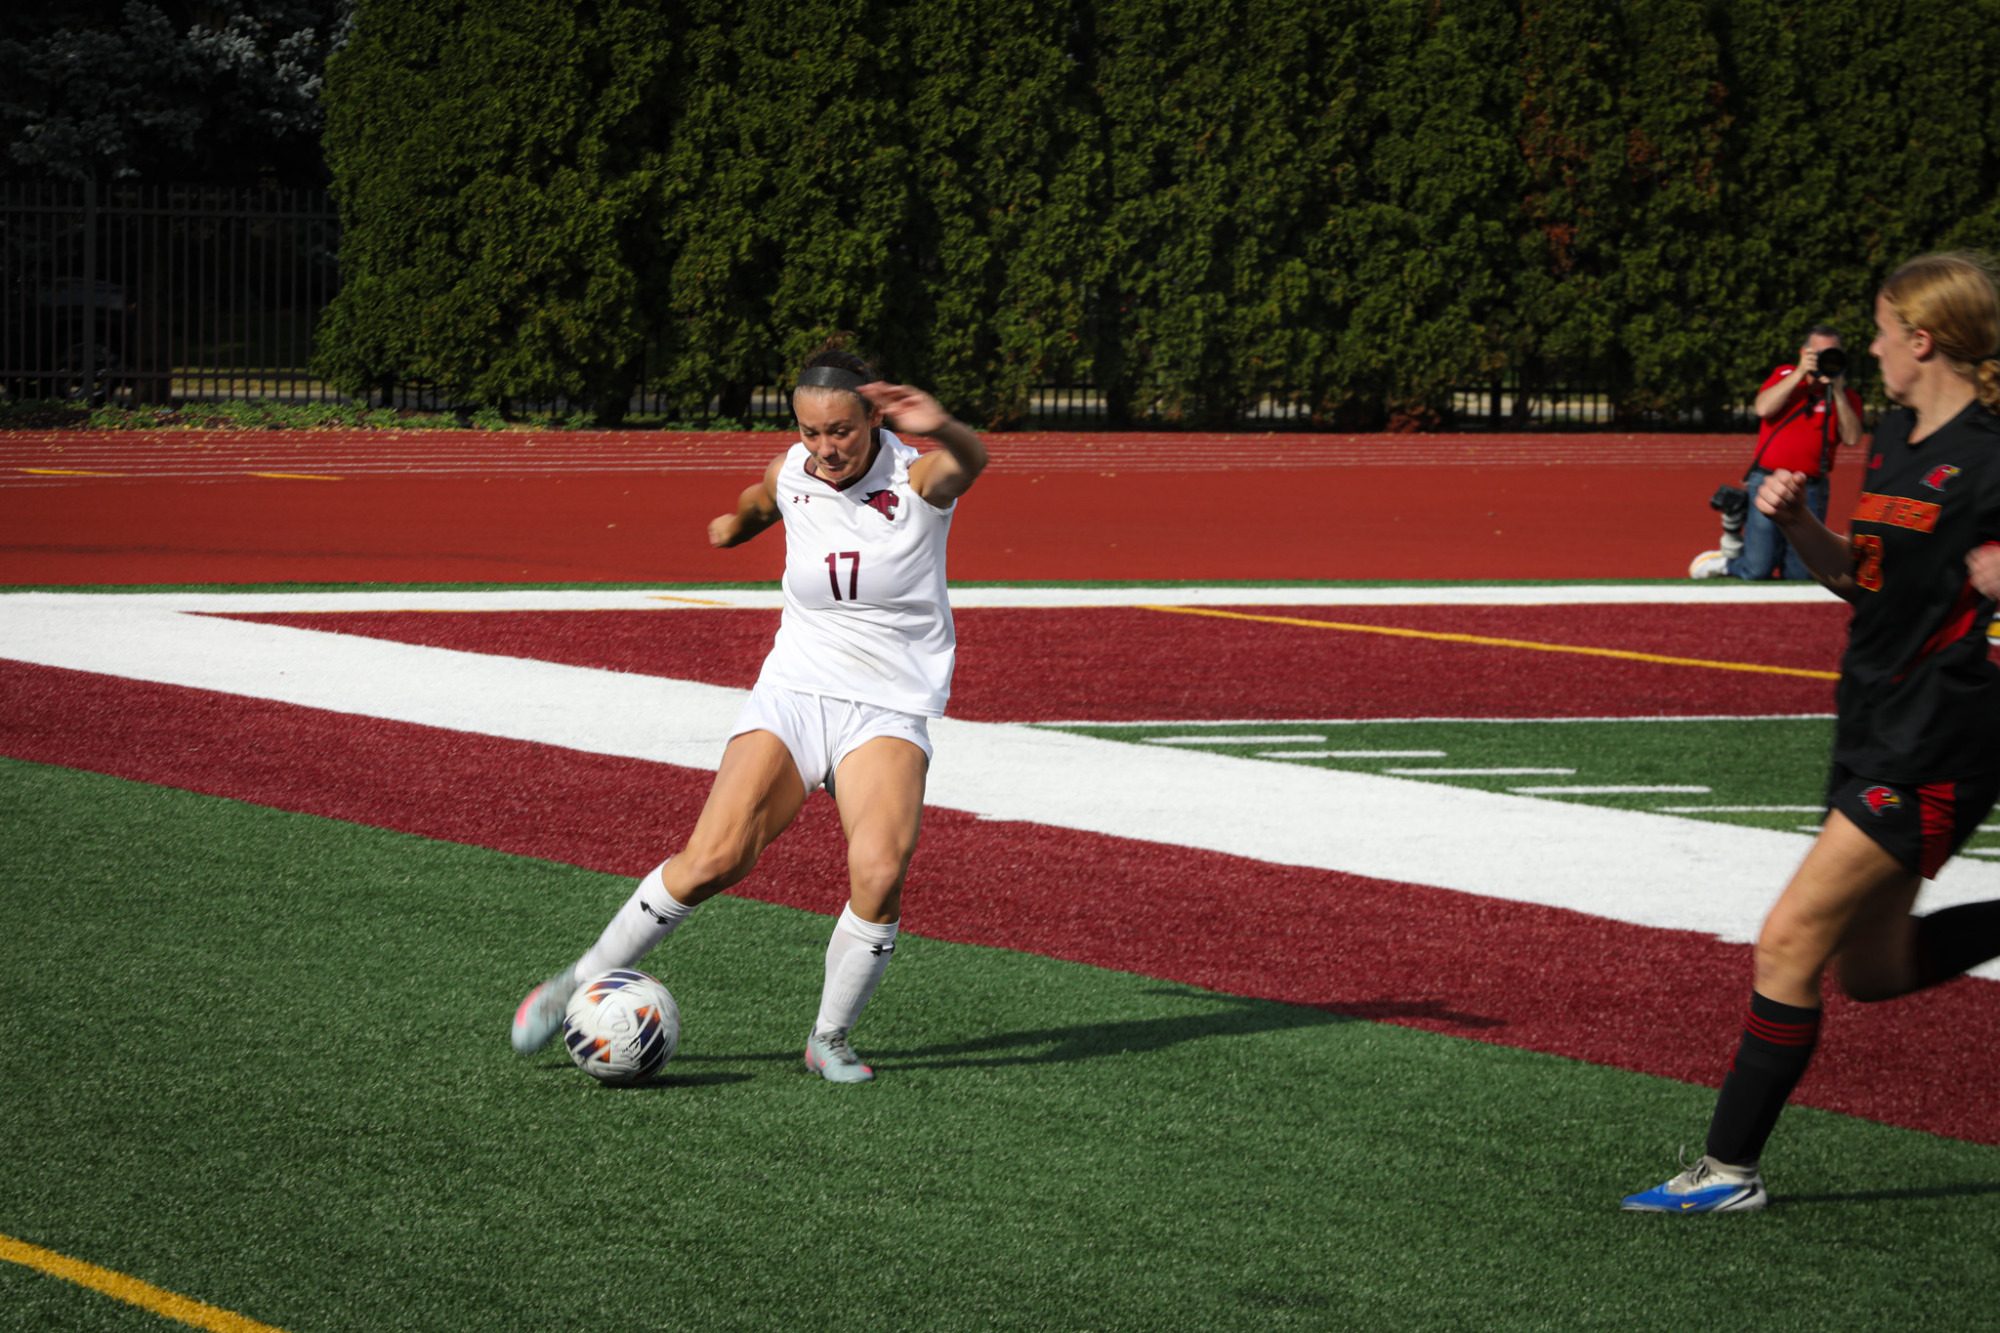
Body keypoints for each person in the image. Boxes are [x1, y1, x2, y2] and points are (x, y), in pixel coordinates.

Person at [1626, 252, 2000, 1213]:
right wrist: (1796, 527)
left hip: (1941, 738)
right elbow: (1861, 578)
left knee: (1788, 943)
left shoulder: (1996, 456)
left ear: (1922, 340)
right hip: (1869, 719)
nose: (1870, 347)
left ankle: (1727, 1170)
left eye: (1881, 330)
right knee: (1873, 972)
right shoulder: (1899, 441)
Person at [510, 346, 988, 1082]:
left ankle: (829, 1036)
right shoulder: (794, 470)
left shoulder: (917, 477)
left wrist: (946, 425)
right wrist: (734, 527)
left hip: (887, 708)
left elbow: (971, 462)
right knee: (713, 859)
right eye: (809, 430)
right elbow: (764, 500)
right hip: (794, 690)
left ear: (874, 419)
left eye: (841, 431)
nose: (824, 448)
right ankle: (577, 980)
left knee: (880, 869)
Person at [1691, 325, 1864, 580]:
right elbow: (1763, 408)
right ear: (1804, 352)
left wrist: (1836, 390)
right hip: (1767, 480)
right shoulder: (1785, 375)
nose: (1825, 359)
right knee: (1758, 569)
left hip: (1810, 487)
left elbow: (1851, 438)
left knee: (1801, 574)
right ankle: (1726, 564)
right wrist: (1800, 374)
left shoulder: (1845, 396)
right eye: (1818, 353)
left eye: (1832, 353)